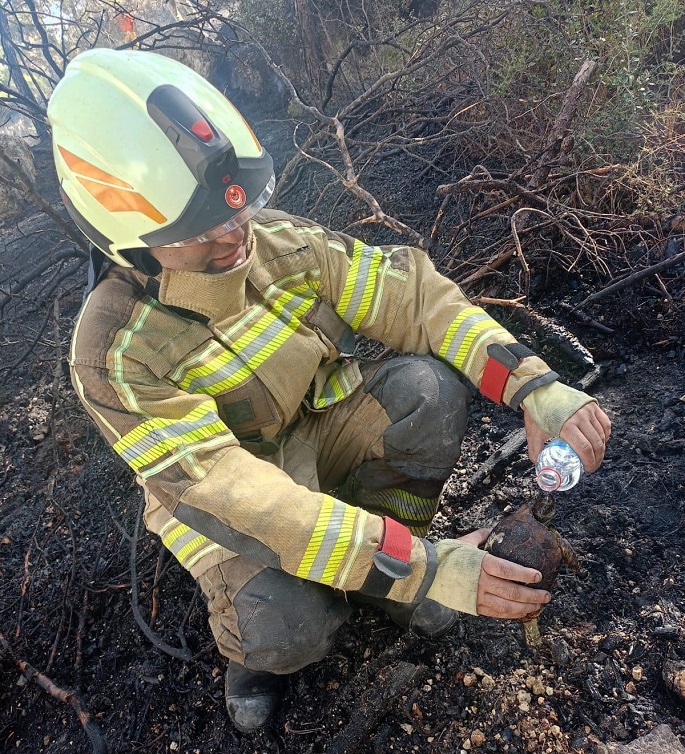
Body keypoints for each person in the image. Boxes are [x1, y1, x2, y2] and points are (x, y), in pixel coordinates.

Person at [47, 48, 611, 733]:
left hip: (318, 426)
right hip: (222, 502)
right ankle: (253, 655)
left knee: (426, 391)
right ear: (124, 235)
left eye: (240, 206)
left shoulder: (282, 243)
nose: (233, 236)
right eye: (198, 231)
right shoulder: (113, 355)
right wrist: (423, 571)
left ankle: (393, 562)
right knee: (292, 627)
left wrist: (533, 386)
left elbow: (415, 300)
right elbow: (238, 497)